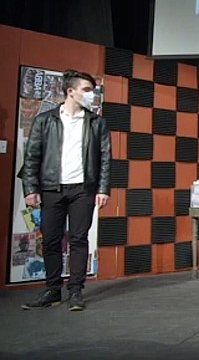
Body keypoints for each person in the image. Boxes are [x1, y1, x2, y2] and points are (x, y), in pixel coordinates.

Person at [21, 69, 111, 311]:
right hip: (52, 189)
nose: (92, 95)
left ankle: (75, 291)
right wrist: (30, 188)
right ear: (70, 92)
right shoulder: (45, 120)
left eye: (93, 91)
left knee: (79, 239)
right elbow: (32, 157)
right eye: (87, 90)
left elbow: (105, 159)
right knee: (50, 240)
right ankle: (52, 290)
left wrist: (103, 189)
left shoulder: (96, 122)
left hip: (83, 189)